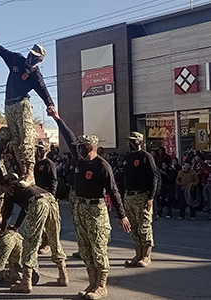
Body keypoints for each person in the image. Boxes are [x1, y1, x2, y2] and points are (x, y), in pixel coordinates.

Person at [52, 110, 131, 300]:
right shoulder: (79, 160)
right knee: (85, 248)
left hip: (96, 210)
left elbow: (113, 190)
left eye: (84, 147)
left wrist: (122, 215)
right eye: (79, 147)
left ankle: (101, 286)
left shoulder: (102, 166)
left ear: (93, 147)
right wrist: (57, 119)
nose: (80, 150)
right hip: (80, 208)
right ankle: (92, 283)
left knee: (98, 248)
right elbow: (68, 136)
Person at [0, 31, 56, 186]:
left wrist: (50, 104)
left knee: (26, 139)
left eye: (35, 56)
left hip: (22, 104)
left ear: (40, 59)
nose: (31, 57)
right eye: (31, 53)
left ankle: (30, 172)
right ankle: (22, 171)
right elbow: (3, 52)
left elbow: (43, 90)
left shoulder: (35, 75)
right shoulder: (17, 59)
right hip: (9, 105)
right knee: (15, 141)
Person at [1, 173, 68, 293]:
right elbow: (25, 208)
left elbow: (6, 213)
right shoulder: (27, 188)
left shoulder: (11, 189)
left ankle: (26, 282)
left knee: (30, 242)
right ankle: (63, 275)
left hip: (38, 204)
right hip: (50, 200)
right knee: (54, 239)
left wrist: (2, 230)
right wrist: (16, 226)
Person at [122, 132, 158, 268]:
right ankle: (138, 254)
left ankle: (146, 256)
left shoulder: (146, 157)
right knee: (134, 227)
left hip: (141, 196)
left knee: (144, 226)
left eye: (132, 141)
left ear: (138, 142)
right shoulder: (127, 157)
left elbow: (154, 177)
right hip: (129, 196)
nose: (129, 144)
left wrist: (151, 197)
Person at [34, 140, 58, 254]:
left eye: (41, 149)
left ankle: (47, 243)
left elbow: (53, 181)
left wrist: (52, 196)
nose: (39, 151)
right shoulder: (34, 163)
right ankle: (38, 242)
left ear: (47, 150)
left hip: (46, 195)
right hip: (35, 194)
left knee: (48, 221)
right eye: (38, 148)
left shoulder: (49, 164)